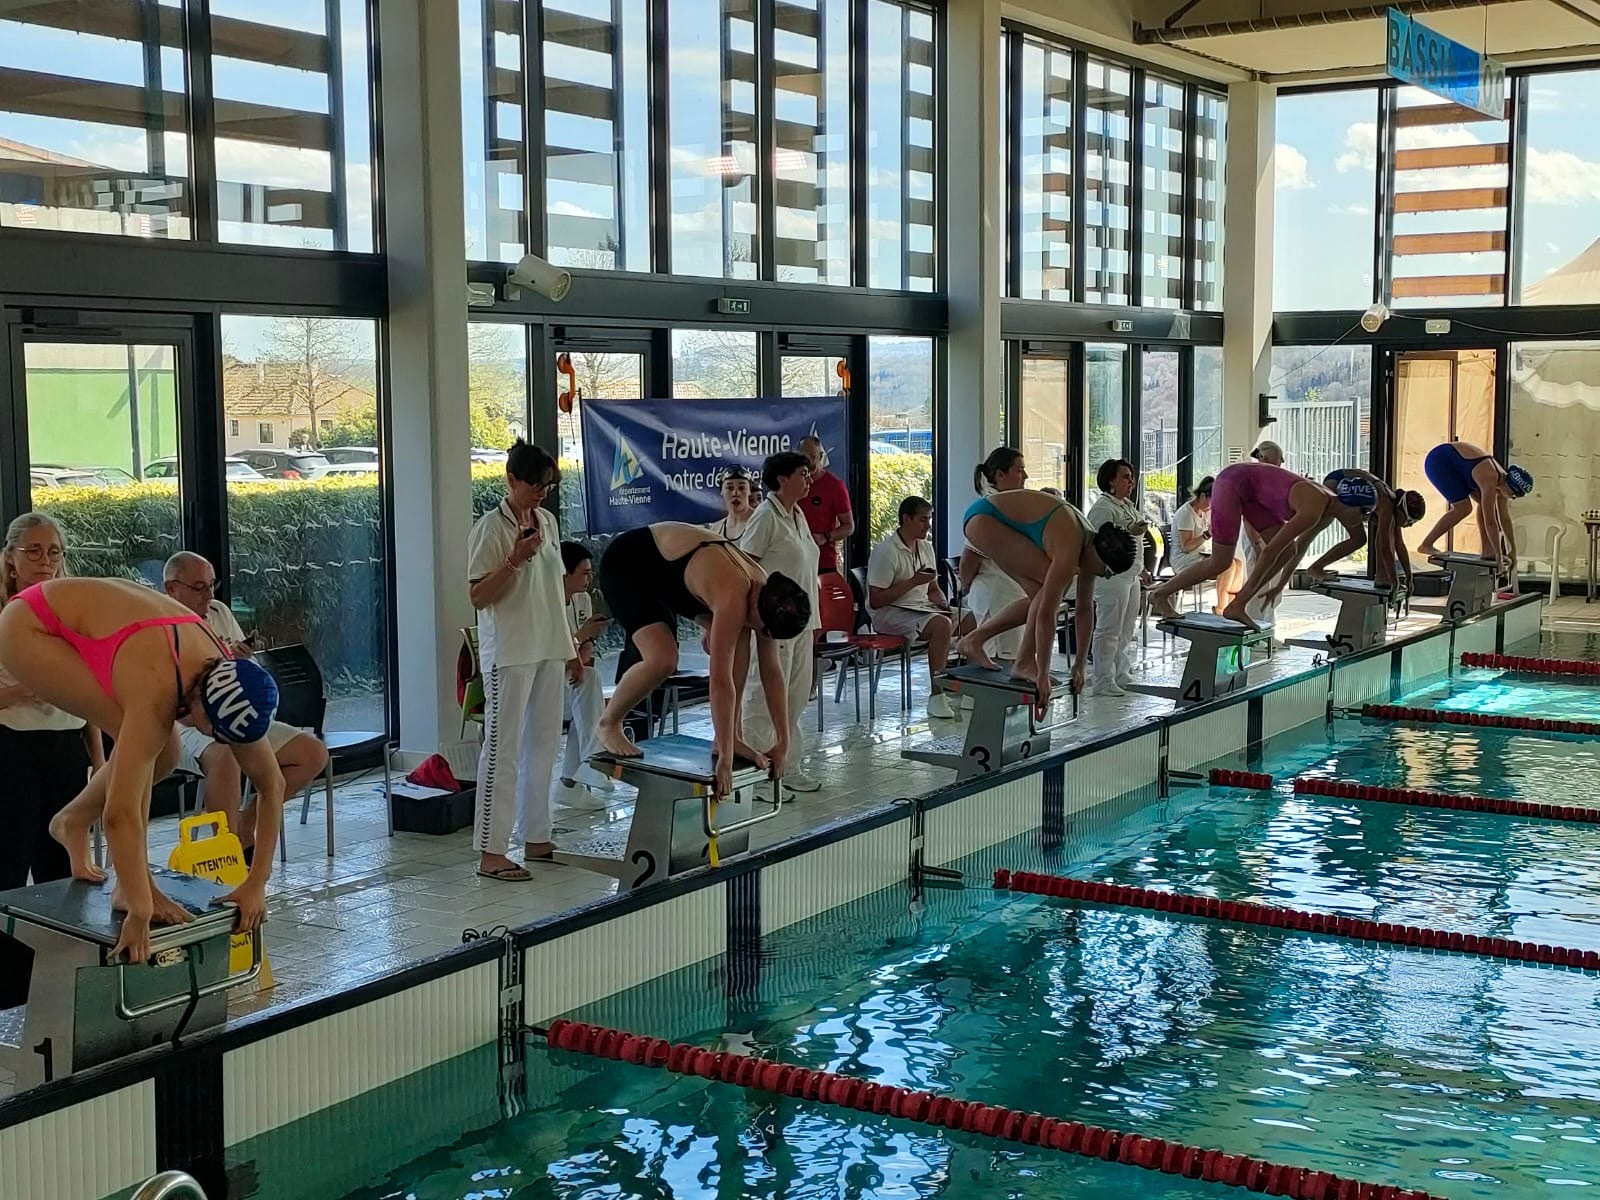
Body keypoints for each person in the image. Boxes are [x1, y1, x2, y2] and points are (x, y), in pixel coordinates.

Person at [0, 577, 284, 964]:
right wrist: (139, 907)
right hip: (30, 625)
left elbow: (272, 785)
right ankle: (125, 881)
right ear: (199, 700)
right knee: (142, 738)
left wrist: (257, 882)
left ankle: (72, 820)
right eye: (211, 731)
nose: (215, 739)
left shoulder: (233, 685)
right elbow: (119, 814)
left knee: (164, 754)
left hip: (111, 624)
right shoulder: (158, 687)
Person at [595, 522, 810, 797]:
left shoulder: (766, 592)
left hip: (674, 575)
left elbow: (773, 672)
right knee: (663, 658)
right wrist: (725, 760)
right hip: (630, 563)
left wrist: (783, 742)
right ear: (761, 612)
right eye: (764, 630)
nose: (764, 636)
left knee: (741, 638)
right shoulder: (735, 595)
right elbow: (720, 681)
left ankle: (731, 736)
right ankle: (609, 723)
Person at [160, 552, 330, 860]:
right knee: (225, 755)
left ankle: (245, 825)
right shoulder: (159, 625)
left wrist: (241, 658)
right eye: (199, 587)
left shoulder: (219, 612)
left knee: (312, 753)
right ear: (172, 588)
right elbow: (166, 696)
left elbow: (247, 673)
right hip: (184, 724)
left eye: (212, 585)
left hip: (233, 711)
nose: (208, 595)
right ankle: (226, 851)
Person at [467, 440, 575, 883]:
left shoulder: (547, 521)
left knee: (544, 745)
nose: (541, 494)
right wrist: (514, 560)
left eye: (548, 486)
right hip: (510, 652)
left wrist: (572, 648)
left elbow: (555, 589)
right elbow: (478, 596)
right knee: (503, 749)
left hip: (548, 644)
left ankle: (537, 836)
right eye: (535, 485)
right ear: (511, 479)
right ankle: (491, 851)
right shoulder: (490, 528)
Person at [956, 490, 1136, 711]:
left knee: (1040, 596)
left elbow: (1084, 610)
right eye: (1107, 572)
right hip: (984, 518)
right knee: (1046, 593)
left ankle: (973, 641)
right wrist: (1043, 672)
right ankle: (1024, 662)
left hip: (990, 519)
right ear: (1099, 556)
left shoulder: (1090, 547)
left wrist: (1080, 664)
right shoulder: (1071, 546)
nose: (1105, 577)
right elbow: (1046, 614)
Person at [0, 514, 104, 891]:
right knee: (10, 857)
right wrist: (20, 691)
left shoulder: (73, 612)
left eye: (53, 552)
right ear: (11, 558)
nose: (44, 560)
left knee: (61, 862)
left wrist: (99, 758)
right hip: (12, 745)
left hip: (66, 745)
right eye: (33, 551)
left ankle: (64, 927)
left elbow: (88, 693)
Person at [1148, 461, 1338, 631]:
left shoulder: (1328, 503)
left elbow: (1298, 549)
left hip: (1250, 494)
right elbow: (1270, 551)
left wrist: (1279, 585)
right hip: (1232, 483)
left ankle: (1237, 605)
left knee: (1288, 551)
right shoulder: (1315, 506)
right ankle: (1161, 594)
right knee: (1221, 562)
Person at [739, 451, 821, 792]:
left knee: (796, 696)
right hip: (774, 622)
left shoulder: (797, 514)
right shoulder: (765, 516)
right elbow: (745, 567)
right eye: (803, 473)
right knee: (764, 697)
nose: (809, 480)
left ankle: (788, 765)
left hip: (802, 621)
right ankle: (758, 776)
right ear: (782, 479)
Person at [867, 497, 957, 720]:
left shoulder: (926, 547)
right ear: (906, 519)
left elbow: (933, 588)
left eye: (929, 519)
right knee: (942, 625)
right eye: (922, 520)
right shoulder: (886, 551)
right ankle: (937, 695)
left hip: (921, 607)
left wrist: (943, 604)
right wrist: (913, 582)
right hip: (889, 612)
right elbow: (876, 600)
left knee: (970, 618)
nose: (928, 525)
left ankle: (969, 690)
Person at [1417, 441, 1532, 584]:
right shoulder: (1490, 478)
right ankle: (1426, 544)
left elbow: (1505, 519)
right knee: (1463, 508)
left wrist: (1513, 551)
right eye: (1514, 495)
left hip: (1458, 466)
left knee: (1483, 504)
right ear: (1511, 487)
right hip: (1439, 461)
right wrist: (1499, 557)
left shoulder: (1503, 482)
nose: (1512, 498)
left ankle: (1487, 550)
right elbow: (1491, 522)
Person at [1085, 460, 1153, 697]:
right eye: (1125, 477)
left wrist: (1142, 569)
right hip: (1111, 576)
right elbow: (1098, 542)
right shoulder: (1103, 508)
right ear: (1111, 481)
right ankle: (1102, 677)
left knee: (1126, 628)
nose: (1131, 482)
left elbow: (1134, 544)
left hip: (1131, 575)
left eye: (1131, 477)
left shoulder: (1127, 505)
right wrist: (1128, 531)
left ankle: (1119, 670)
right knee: (1109, 628)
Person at [556, 542, 616, 806]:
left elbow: (585, 652)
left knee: (588, 685)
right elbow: (552, 654)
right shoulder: (548, 604)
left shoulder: (583, 600)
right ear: (565, 574)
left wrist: (585, 641)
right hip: (543, 684)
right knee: (589, 685)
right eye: (584, 573)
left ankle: (570, 783)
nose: (589, 579)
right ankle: (590, 763)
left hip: (570, 678)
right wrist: (580, 636)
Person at [958, 448, 1028, 663]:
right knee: (995, 661)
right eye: (1019, 470)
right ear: (1000, 475)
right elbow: (970, 557)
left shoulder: (1010, 505)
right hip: (995, 593)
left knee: (1012, 658)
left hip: (1011, 592)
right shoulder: (991, 509)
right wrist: (965, 586)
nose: (1025, 476)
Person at [1306, 469, 1427, 592]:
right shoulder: (1387, 506)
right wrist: (1394, 580)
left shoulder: (1394, 505)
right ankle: (1316, 568)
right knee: (1359, 539)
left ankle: (1382, 577)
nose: (1409, 526)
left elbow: (1399, 545)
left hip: (1341, 479)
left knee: (1384, 535)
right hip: (1336, 482)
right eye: (1410, 521)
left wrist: (1409, 577)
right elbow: (1385, 547)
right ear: (1403, 512)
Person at [799, 435, 854, 575]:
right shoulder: (791, 484)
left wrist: (826, 537)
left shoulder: (834, 486)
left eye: (812, 456)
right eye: (804, 457)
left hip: (823, 563)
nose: (808, 462)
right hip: (795, 562)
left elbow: (849, 526)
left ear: (821, 456)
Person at [1171, 477, 1213, 574]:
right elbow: (1186, 547)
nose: (1212, 506)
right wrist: (1207, 534)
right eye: (1212, 501)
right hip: (1184, 560)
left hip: (1198, 555)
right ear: (1202, 496)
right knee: (1225, 566)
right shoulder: (1186, 514)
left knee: (1236, 564)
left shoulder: (1203, 512)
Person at [707, 466, 756, 540]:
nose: (736, 493)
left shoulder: (761, 521)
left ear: (749, 491)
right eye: (730, 488)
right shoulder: (715, 530)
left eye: (741, 488)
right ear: (722, 491)